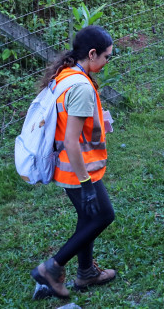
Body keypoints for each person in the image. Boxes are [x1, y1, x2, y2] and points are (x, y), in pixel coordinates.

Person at [30, 25, 117, 299]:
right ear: (92, 54)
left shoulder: (68, 75)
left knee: (87, 217)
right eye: (106, 56)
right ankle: (52, 269)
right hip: (77, 170)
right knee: (104, 215)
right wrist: (86, 184)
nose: (106, 62)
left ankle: (86, 273)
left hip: (72, 166)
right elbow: (71, 140)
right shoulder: (80, 87)